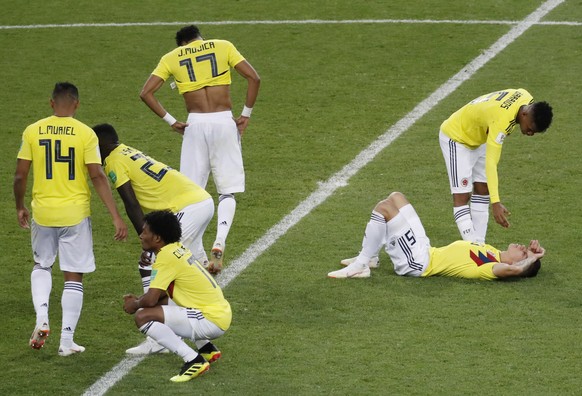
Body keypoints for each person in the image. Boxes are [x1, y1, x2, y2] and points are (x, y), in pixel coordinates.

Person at [13, 82, 128, 356]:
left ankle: (42, 318)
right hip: (75, 214)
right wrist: (115, 216)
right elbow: (97, 175)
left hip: (43, 212)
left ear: (51, 103)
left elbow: (19, 176)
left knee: (41, 265)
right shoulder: (86, 134)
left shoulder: (32, 130)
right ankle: (66, 342)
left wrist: (19, 206)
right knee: (73, 276)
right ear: (76, 104)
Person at [140, 24, 261, 273]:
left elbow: (146, 93)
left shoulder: (171, 57)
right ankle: (220, 240)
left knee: (191, 195)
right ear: (199, 38)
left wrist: (172, 121)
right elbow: (254, 77)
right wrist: (246, 114)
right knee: (227, 191)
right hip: (224, 121)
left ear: (182, 43)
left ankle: (196, 256)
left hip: (194, 124)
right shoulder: (223, 46)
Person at [93, 123, 215, 355]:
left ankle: (159, 337)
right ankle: (204, 341)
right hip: (200, 201)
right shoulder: (126, 151)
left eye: (92, 148)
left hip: (186, 208)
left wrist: (147, 240)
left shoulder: (114, 161)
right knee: (191, 267)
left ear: (102, 146)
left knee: (154, 265)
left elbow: (131, 202)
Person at [328, 192, 544, 280]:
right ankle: (372, 257)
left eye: (522, 251)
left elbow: (514, 270)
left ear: (519, 260)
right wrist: (531, 255)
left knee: (384, 209)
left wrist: (532, 259)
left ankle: (362, 265)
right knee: (396, 197)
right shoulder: (492, 252)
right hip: (426, 248)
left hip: (418, 262)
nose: (521, 245)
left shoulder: (491, 267)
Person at [123, 210, 231, 382]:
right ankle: (207, 348)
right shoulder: (177, 249)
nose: (141, 236)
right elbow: (163, 296)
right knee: (164, 304)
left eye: (145, 232)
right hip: (219, 312)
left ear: (157, 238)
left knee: (142, 316)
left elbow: (150, 300)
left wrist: (134, 304)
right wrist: (138, 299)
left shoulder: (165, 257)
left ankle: (193, 360)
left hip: (211, 320)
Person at [439, 89, 553, 243]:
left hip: (480, 136)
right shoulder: (502, 121)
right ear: (524, 115)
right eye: (531, 128)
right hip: (457, 138)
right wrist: (496, 203)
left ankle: (479, 244)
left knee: (483, 189)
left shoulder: (526, 97)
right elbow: (491, 164)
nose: (530, 133)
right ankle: (474, 250)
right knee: (462, 197)